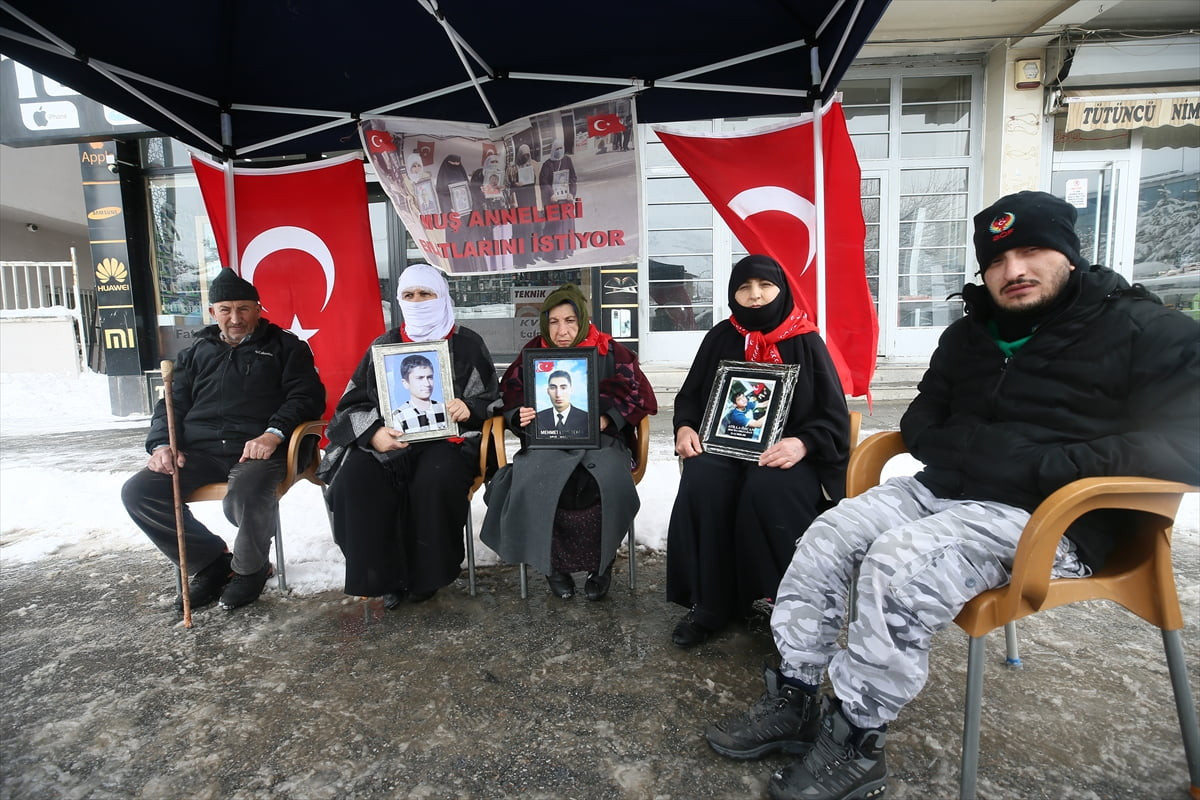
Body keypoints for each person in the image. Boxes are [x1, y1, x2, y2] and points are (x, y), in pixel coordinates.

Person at [703, 191, 1200, 800]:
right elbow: (920, 421)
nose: (1013, 270)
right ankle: (797, 695)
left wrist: (1051, 464)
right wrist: (968, 453)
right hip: (946, 488)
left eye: (1031, 250)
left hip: (1056, 513)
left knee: (898, 563)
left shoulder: (1142, 329)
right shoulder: (972, 334)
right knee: (827, 534)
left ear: (1069, 254)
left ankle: (858, 740)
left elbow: (1189, 440)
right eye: (996, 260)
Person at [666, 255, 851, 649]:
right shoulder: (720, 337)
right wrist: (684, 427)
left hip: (787, 454)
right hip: (726, 447)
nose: (755, 295)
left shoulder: (805, 339)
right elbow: (691, 396)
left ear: (781, 290)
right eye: (744, 288)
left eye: (764, 286)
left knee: (768, 489)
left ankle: (779, 601)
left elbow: (833, 415)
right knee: (703, 480)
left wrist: (803, 443)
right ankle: (710, 603)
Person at [121, 268, 326, 612]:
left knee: (246, 491)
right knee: (139, 491)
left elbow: (305, 398)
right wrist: (161, 445)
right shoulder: (195, 353)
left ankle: (250, 569)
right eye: (226, 309)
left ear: (259, 309)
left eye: (244, 308)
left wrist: (273, 433)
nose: (235, 318)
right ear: (213, 313)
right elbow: (171, 405)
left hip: (260, 451)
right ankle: (213, 562)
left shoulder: (286, 347)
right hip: (201, 452)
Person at [319, 263, 499, 608]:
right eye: (409, 295)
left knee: (433, 479)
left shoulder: (467, 344)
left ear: (442, 296)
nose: (417, 301)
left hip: (447, 443)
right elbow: (350, 403)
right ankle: (383, 577)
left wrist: (470, 407)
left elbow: (494, 398)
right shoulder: (383, 346)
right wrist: (372, 434)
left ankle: (426, 576)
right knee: (355, 481)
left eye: (426, 294)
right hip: (388, 440)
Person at [481, 284, 657, 601]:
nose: (562, 331)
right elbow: (507, 397)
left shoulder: (611, 351)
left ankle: (601, 566)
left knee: (602, 481)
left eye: (570, 321)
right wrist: (515, 417)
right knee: (538, 481)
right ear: (545, 323)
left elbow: (640, 396)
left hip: (601, 442)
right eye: (554, 322)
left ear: (583, 319)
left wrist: (610, 419)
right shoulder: (532, 355)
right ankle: (553, 566)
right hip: (545, 444)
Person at [536, 139, 577, 263]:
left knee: (567, 226)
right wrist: (551, 194)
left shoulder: (567, 160)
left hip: (566, 199)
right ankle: (556, 254)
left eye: (561, 148)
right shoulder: (547, 164)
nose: (559, 151)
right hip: (553, 200)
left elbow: (573, 178)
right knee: (556, 227)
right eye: (557, 149)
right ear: (553, 150)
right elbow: (543, 182)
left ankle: (567, 251)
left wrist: (572, 193)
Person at [391, 354, 448, 433]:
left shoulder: (444, 409)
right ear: (405, 383)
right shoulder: (398, 415)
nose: (427, 384)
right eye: (420, 378)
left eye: (430, 377)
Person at [534, 369, 590, 437]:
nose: (558, 394)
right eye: (553, 388)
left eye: (563, 388)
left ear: (571, 390)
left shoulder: (586, 418)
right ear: (548, 391)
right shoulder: (538, 418)